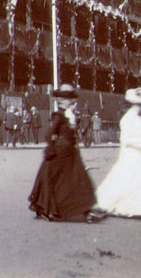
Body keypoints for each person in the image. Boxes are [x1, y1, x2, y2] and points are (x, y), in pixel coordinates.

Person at [28, 83, 100, 223]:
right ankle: (54, 209)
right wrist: (50, 147)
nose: (72, 101)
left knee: (75, 180)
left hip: (71, 153)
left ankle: (83, 208)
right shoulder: (59, 115)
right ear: (61, 100)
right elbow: (49, 133)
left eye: (71, 98)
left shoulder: (69, 114)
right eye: (68, 98)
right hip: (60, 152)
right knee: (64, 181)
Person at [95, 88, 141, 221]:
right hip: (132, 154)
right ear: (134, 104)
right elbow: (125, 139)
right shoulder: (128, 119)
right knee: (127, 179)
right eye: (140, 104)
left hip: (140, 154)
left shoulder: (138, 118)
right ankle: (104, 204)